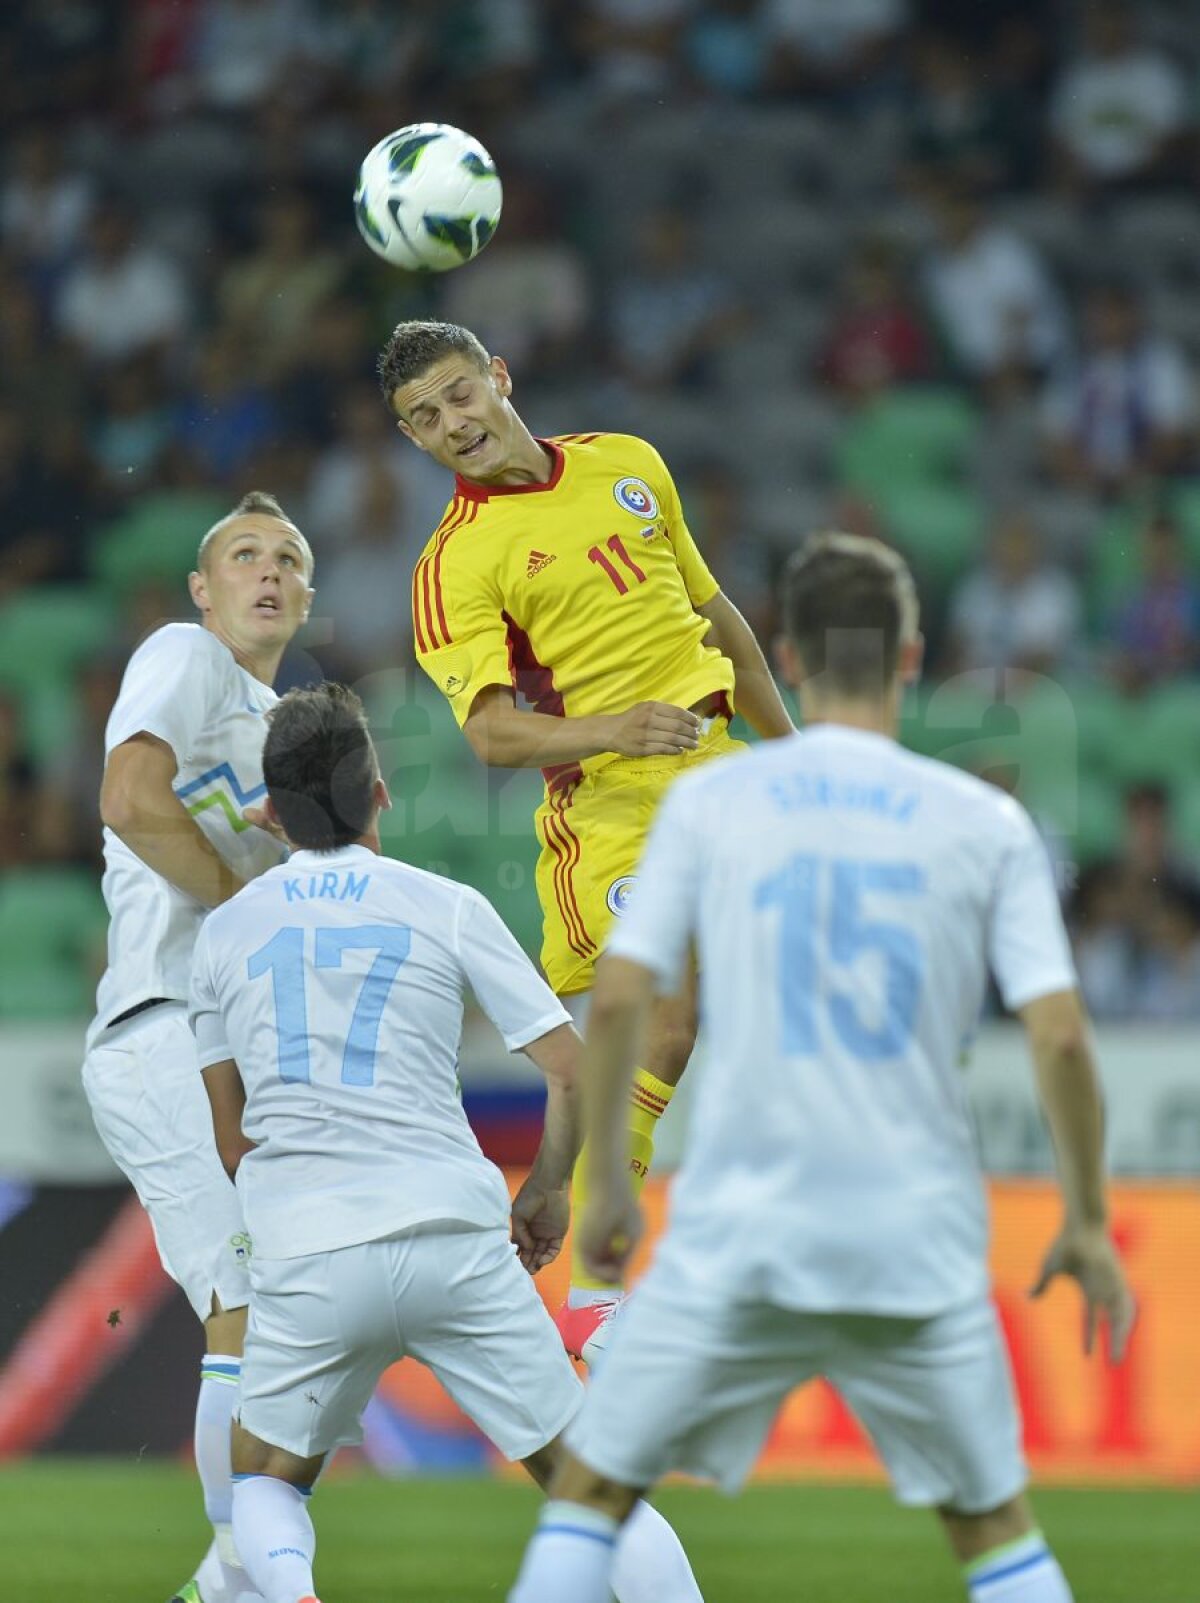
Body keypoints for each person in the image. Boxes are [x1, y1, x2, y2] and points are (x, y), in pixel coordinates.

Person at [508, 531, 1136, 1603]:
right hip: (915, 1225)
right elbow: (1063, 1035)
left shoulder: (712, 804)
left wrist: (605, 1182)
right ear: (910, 655)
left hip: (744, 1221)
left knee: (594, 1498)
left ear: (786, 659)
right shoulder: (986, 823)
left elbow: (620, 1001)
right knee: (994, 1528)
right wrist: (1084, 1214)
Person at [188, 682, 703, 1603]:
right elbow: (575, 1071)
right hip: (454, 1236)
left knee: (264, 1481)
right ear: (381, 792)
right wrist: (544, 1189)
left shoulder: (222, 937)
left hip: (309, 1251)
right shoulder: (447, 904)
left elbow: (232, 1140)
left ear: (268, 810)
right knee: (592, 1494)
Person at [377, 318, 794, 1334]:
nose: (450, 424)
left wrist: (798, 758)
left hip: (727, 771)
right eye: (422, 419)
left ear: (499, 377)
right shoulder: (454, 565)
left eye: (458, 395)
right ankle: (599, 1302)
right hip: (609, 805)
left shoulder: (625, 462)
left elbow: (719, 618)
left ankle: (560, 1195)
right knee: (660, 1021)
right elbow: (488, 734)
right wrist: (619, 728)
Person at [82, 490, 315, 1603]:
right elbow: (129, 797)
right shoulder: (186, 658)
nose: (268, 571)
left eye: (288, 560)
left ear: (309, 597)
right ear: (201, 588)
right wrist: (241, 904)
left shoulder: (278, 728)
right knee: (253, 1306)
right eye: (243, 555)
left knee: (295, 1312)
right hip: (164, 1024)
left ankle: (228, 1581)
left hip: (225, 1041)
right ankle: (235, 1584)